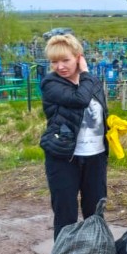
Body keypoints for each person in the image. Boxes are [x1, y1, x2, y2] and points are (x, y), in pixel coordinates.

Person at [40, 34, 109, 240]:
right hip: (64, 158)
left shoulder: (93, 83)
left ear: (78, 57)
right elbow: (80, 99)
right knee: (66, 215)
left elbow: (99, 111)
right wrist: (86, 72)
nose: (60, 66)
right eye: (54, 62)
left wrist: (111, 126)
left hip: (95, 156)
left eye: (65, 60)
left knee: (95, 212)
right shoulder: (51, 84)